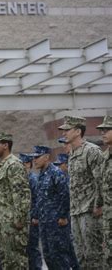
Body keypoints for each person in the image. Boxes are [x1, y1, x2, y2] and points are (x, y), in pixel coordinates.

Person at [58, 115, 104, 268]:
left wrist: (99, 206)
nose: (64, 133)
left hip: (90, 211)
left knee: (94, 255)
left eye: (67, 130)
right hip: (76, 211)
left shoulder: (92, 151)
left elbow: (101, 181)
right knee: (80, 255)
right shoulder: (72, 154)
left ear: (78, 131)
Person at [0, 131, 30, 269]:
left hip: (11, 223)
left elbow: (22, 194)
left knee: (16, 261)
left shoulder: (14, 165)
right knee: (6, 262)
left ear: (5, 145)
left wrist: (20, 219)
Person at [31, 145, 74, 269]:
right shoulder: (41, 175)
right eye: (34, 157)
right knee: (49, 257)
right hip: (44, 224)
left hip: (57, 224)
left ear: (46, 157)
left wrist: (62, 216)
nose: (35, 160)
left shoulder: (56, 173)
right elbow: (39, 198)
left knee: (59, 256)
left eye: (37, 157)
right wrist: (36, 215)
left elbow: (65, 194)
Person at [19, 153, 42, 270]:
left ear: (28, 164)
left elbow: (38, 199)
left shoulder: (33, 179)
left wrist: (35, 216)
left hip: (32, 219)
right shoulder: (21, 179)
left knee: (32, 247)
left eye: (22, 163)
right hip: (23, 219)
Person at [97, 116, 112, 268]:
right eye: (102, 130)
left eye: (107, 130)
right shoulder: (104, 157)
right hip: (108, 217)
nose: (103, 133)